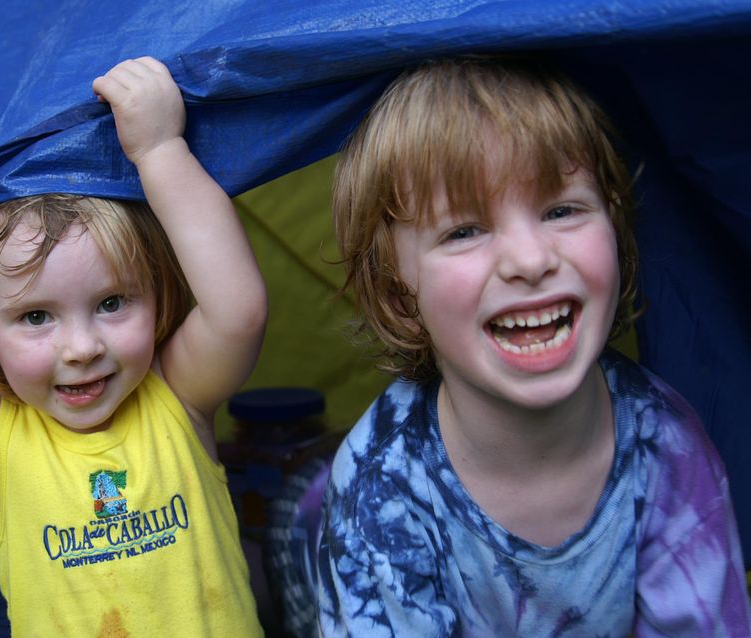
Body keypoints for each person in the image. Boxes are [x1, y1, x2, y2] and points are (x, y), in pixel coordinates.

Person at [316, 55, 751, 637]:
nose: (530, 260)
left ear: (618, 240)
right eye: (464, 230)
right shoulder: (383, 488)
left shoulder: (664, 447)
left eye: (562, 210)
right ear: (400, 295)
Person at [0, 57, 267, 637]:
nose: (83, 347)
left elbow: (238, 311)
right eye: (36, 316)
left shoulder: (177, 398)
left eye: (112, 303)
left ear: (159, 298)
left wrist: (161, 153)